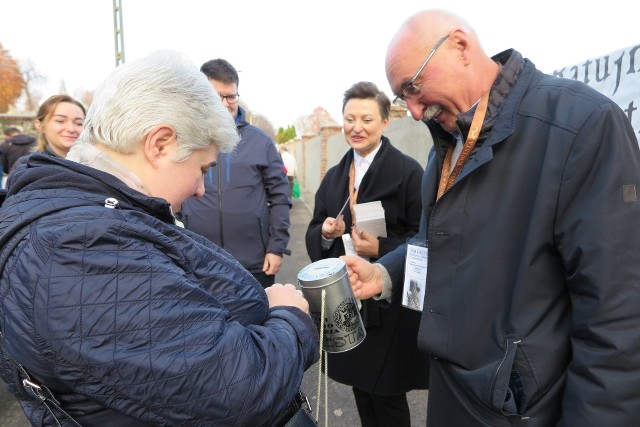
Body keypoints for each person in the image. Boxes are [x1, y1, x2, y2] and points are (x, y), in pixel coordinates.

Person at [343, 9, 640, 427]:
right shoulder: (444, 147)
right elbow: (435, 243)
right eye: (401, 97)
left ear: (461, 47)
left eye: (413, 86)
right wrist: (384, 275)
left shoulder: (582, 127)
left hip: (520, 411)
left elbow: (617, 318)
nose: (411, 110)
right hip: (453, 395)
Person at [0, 50, 318, 426]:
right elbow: (239, 389)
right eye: (202, 168)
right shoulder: (78, 249)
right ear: (160, 144)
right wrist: (288, 317)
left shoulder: (92, 224)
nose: (201, 189)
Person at [306, 81, 428, 426]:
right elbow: (315, 230)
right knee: (362, 387)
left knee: (387, 394)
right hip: (348, 298)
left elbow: (425, 237)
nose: (356, 127)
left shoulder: (407, 172)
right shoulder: (334, 176)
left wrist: (381, 249)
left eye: (367, 119)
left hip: (388, 304)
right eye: (349, 119)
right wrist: (326, 234)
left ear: (385, 122)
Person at [179, 58, 291, 289]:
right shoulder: (183, 141)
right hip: (199, 264)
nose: (224, 104)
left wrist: (276, 248)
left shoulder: (261, 142)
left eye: (230, 96)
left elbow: (280, 197)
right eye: (215, 96)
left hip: (254, 265)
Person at [7, 94, 85, 186]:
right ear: (40, 125)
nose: (71, 129)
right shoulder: (27, 166)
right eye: (60, 121)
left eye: (79, 123)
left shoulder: (98, 164)